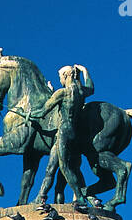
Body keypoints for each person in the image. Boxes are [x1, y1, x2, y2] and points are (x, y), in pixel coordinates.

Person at [32, 64, 95, 207]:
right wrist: (85, 71)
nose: (60, 79)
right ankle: (40, 196)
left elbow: (43, 112)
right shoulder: (80, 91)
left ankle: (80, 198)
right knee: (50, 168)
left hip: (63, 133)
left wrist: (28, 115)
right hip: (74, 134)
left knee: (65, 167)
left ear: (66, 76)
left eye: (60, 76)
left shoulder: (63, 93)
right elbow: (91, 88)